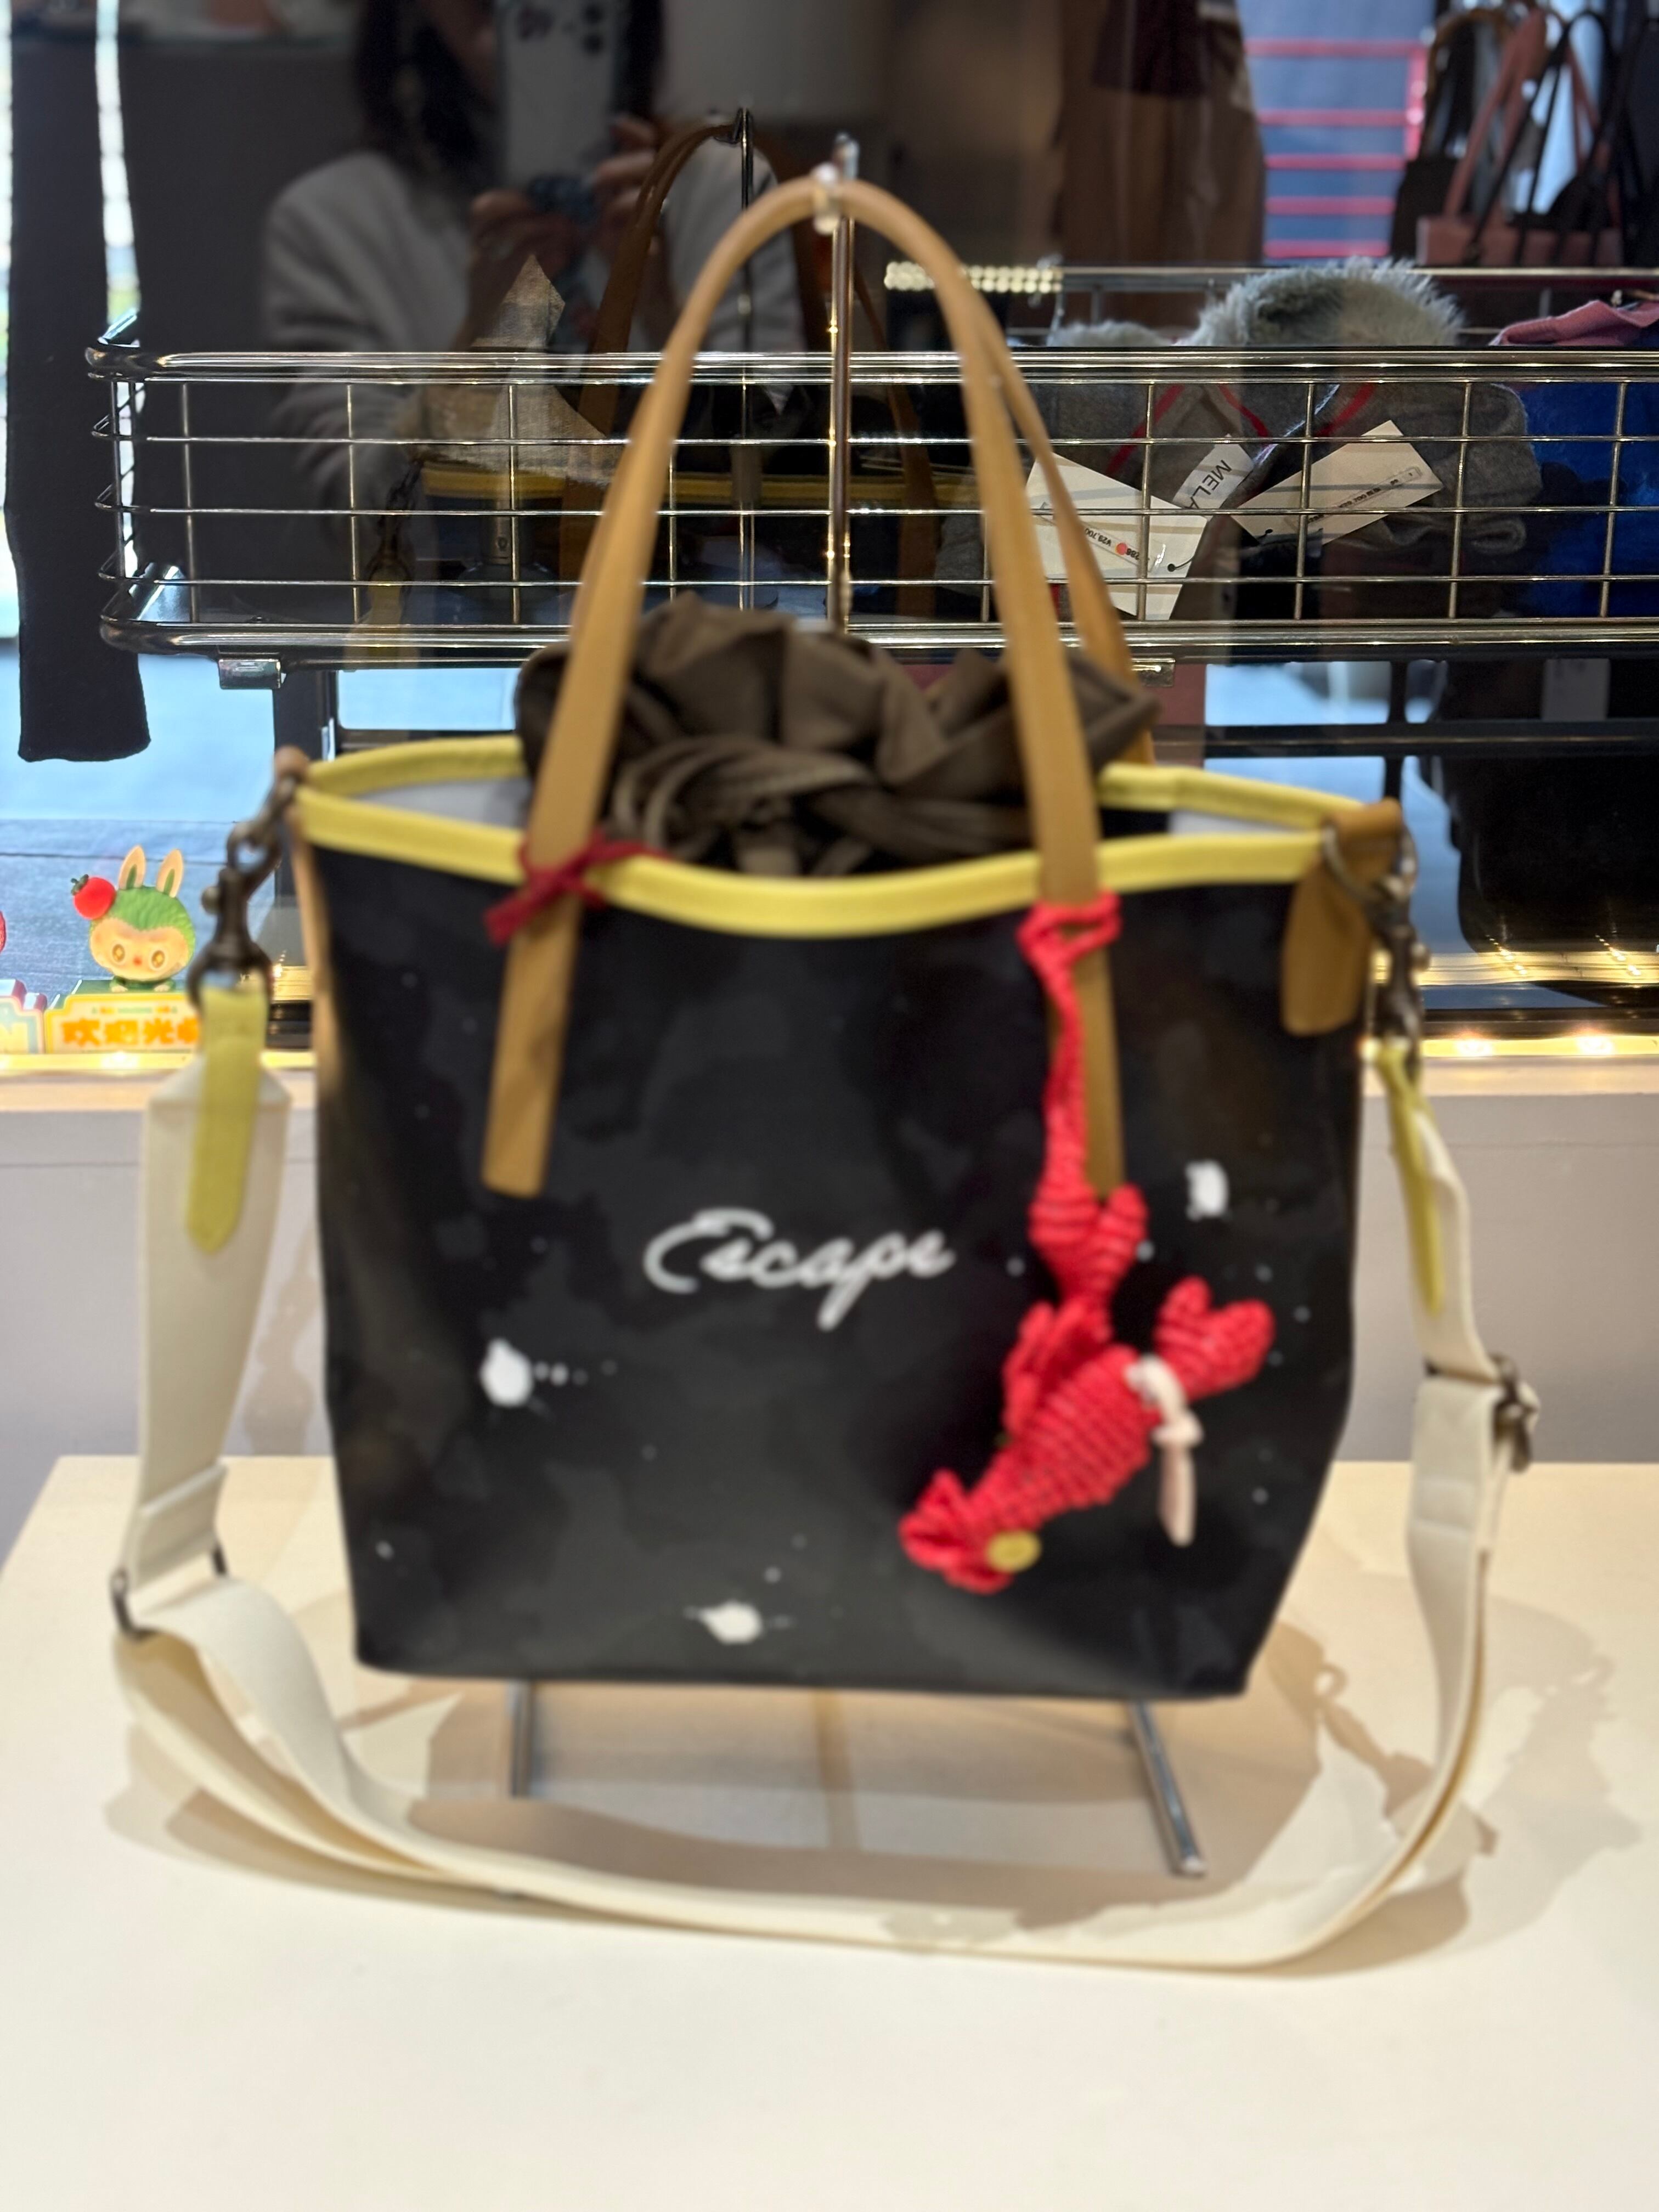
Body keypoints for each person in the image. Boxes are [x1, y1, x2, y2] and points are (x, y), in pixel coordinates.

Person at [261, 0, 803, 514]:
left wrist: (665, 318)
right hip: (455, 584)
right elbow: (361, 518)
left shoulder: (725, 194)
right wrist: (480, 351)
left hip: (683, 581)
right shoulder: (329, 226)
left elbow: (774, 483)